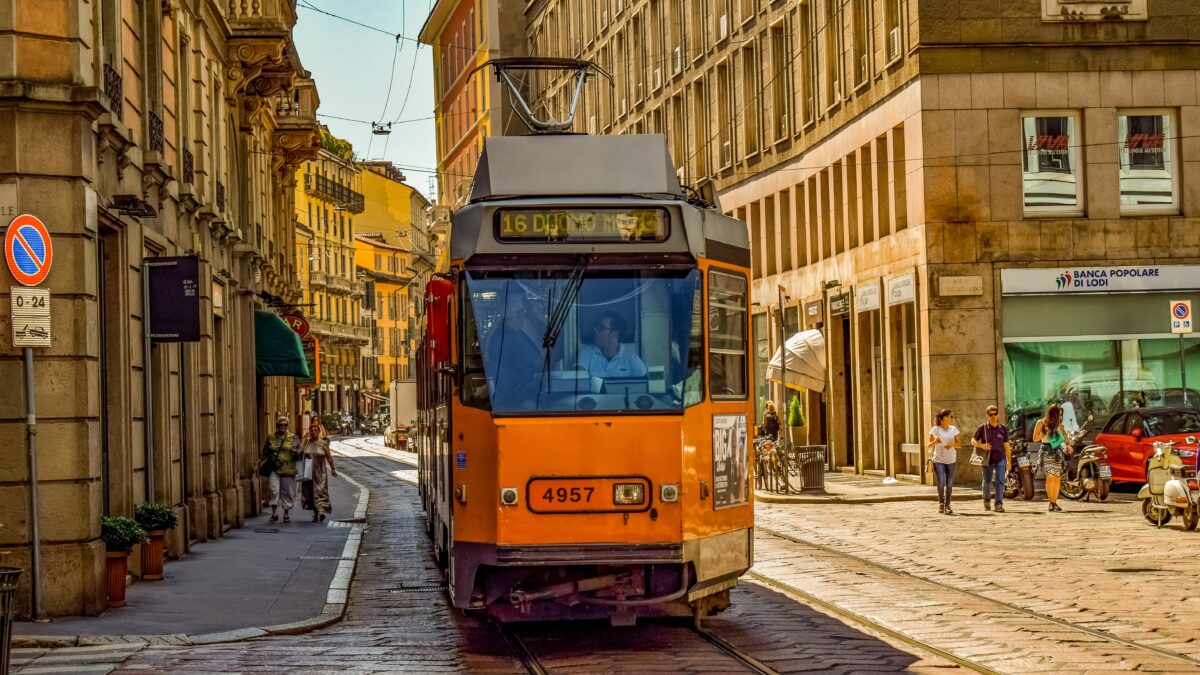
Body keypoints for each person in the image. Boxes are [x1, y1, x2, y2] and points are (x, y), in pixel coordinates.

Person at [487, 294, 546, 410]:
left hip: (518, 396)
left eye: (523, 311)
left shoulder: (512, 333)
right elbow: (540, 363)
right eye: (518, 313)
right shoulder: (508, 339)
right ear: (506, 315)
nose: (522, 316)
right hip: (518, 401)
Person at [578, 312, 647, 380]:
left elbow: (644, 386)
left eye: (600, 327)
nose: (595, 329)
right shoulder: (586, 353)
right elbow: (577, 379)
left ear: (615, 334)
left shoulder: (632, 360)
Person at [972, 405, 1011, 513]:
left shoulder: (1003, 429)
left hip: (1001, 458)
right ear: (987, 416)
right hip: (987, 459)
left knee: (1000, 481)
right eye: (991, 415)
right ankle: (986, 501)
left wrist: (1009, 461)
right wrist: (981, 445)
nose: (993, 416)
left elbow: (1007, 446)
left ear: (998, 414)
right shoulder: (983, 428)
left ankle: (998, 504)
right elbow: (973, 440)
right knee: (987, 481)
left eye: (995, 414)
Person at [261, 416, 299, 523]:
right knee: (274, 490)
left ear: (287, 426)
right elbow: (265, 452)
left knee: (286, 492)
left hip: (288, 469)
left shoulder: (293, 437)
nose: (283, 427)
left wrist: (295, 452)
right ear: (277, 426)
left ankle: (286, 514)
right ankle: (274, 513)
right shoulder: (271, 437)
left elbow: (299, 454)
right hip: (274, 468)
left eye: (285, 425)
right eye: (280, 425)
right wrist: (257, 464)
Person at [300, 419, 339, 522]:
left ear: (319, 431)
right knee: (310, 492)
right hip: (308, 472)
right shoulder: (307, 443)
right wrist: (304, 440)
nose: (313, 432)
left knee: (320, 492)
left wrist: (333, 469)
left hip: (320, 472)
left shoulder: (323, 443)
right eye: (311, 431)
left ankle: (321, 511)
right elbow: (299, 452)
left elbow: (329, 457)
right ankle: (316, 513)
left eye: (315, 430)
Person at [1033, 402, 1067, 512]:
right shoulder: (1041, 422)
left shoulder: (1059, 424)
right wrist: (1045, 434)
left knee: (1056, 477)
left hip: (1057, 451)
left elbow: (1064, 437)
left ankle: (1054, 502)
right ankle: (1051, 502)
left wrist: (1068, 444)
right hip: (1046, 450)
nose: (1059, 417)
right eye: (1058, 415)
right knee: (1050, 477)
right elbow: (1034, 438)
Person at [927, 409, 960, 515]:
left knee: (949, 483)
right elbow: (928, 445)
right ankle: (941, 502)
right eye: (951, 417)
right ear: (944, 418)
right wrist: (935, 442)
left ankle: (948, 504)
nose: (952, 419)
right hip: (938, 459)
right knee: (941, 482)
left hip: (951, 459)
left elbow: (959, 444)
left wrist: (952, 445)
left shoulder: (953, 429)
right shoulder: (935, 429)